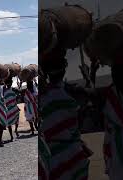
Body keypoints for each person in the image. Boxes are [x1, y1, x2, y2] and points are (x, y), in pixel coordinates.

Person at [39, 48, 92, 180]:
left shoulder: (41, 96)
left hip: (53, 155)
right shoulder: (73, 91)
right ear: (64, 69)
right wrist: (89, 75)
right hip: (75, 153)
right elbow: (90, 98)